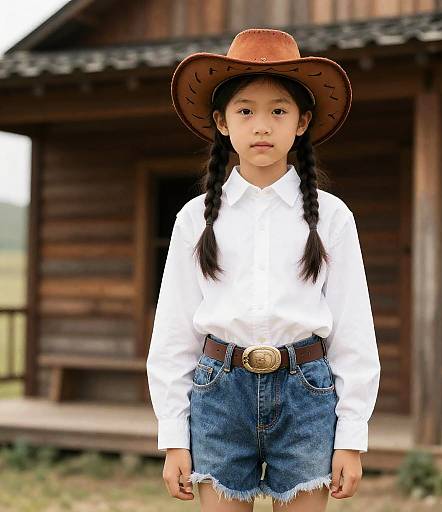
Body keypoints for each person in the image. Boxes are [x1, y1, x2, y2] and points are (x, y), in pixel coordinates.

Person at [146, 28, 381, 511]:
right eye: (245, 111)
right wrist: (174, 436)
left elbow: (355, 331)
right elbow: (172, 333)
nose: (261, 125)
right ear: (222, 122)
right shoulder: (195, 218)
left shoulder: (332, 217)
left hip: (308, 393)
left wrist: (351, 437)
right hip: (218, 393)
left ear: (301, 122)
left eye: (278, 110)